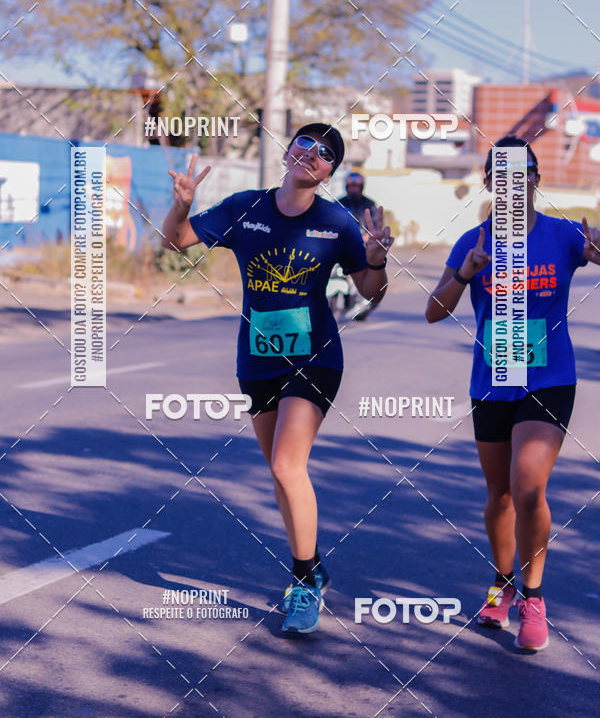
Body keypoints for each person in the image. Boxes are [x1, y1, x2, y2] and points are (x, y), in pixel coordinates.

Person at [162, 123, 393, 633]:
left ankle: (304, 583)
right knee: (280, 471)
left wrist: (377, 259)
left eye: (325, 153)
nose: (312, 155)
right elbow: (176, 241)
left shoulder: (337, 221)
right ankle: (313, 567)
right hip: (258, 357)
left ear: (331, 171)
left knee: (289, 465)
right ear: (288, 151)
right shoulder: (246, 206)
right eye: (305, 145)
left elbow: (372, 292)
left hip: (316, 358)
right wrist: (181, 203)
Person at [425, 135, 600, 651]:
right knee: (499, 495)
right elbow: (434, 312)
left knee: (527, 488)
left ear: (536, 180)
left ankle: (534, 597)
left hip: (549, 378)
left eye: (522, 170)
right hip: (493, 379)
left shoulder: (567, 236)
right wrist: (464, 274)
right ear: (488, 183)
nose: (512, 181)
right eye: (501, 173)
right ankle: (500, 584)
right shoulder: (473, 243)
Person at [339, 171, 380, 320]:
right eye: (351, 185)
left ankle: (365, 296)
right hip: (342, 245)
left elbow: (375, 226)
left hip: (363, 246)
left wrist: (366, 236)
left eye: (357, 185)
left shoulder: (369, 205)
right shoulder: (339, 203)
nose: (354, 187)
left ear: (362, 186)